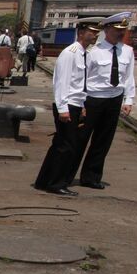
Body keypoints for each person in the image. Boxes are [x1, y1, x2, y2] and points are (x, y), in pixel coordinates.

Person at [33, 18, 100, 196]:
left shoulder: (85, 54)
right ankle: (56, 183)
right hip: (67, 104)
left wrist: (83, 104)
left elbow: (80, 84)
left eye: (96, 32)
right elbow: (61, 82)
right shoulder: (70, 53)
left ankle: (43, 181)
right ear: (81, 32)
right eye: (91, 31)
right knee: (67, 146)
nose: (94, 35)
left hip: (75, 103)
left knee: (60, 144)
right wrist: (63, 108)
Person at [77, 11, 136, 189]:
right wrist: (80, 102)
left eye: (123, 30)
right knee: (81, 138)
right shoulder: (93, 52)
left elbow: (129, 76)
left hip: (114, 99)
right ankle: (67, 173)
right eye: (117, 30)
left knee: (103, 141)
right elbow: (82, 78)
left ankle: (91, 177)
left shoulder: (127, 51)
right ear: (107, 29)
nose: (121, 33)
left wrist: (129, 99)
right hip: (93, 99)